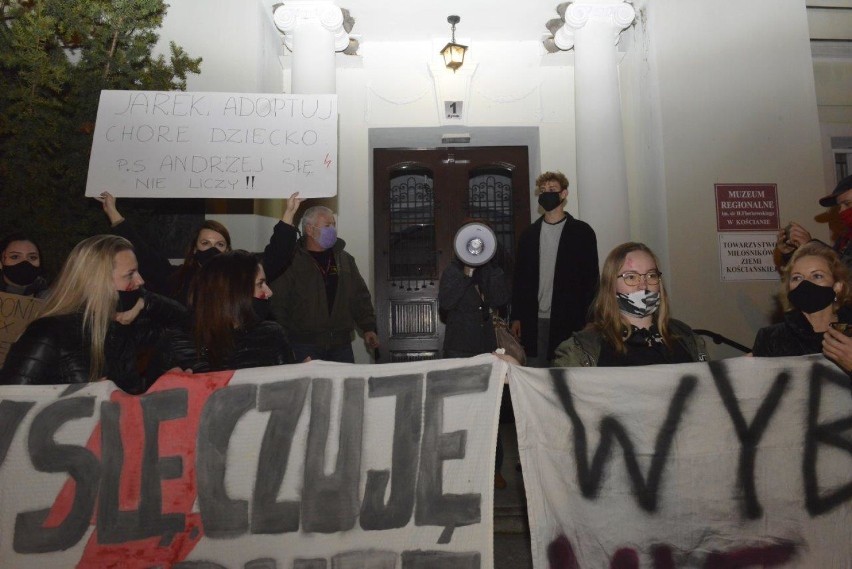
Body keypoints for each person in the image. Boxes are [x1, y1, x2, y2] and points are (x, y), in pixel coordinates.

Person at [0, 235, 187, 393]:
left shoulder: (122, 327)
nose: (140, 280)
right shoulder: (49, 332)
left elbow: (185, 322)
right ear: (99, 281)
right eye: (130, 274)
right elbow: (10, 404)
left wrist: (145, 301)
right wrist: (77, 400)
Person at [96, 191, 302, 304]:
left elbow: (277, 255)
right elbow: (144, 255)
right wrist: (113, 213)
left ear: (228, 250)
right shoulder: (176, 278)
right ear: (194, 249)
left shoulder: (242, 278)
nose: (212, 249)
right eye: (205, 243)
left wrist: (289, 213)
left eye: (219, 244)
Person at [553, 242, 707, 367]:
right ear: (611, 286)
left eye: (651, 275)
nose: (643, 285)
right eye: (631, 277)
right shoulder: (584, 348)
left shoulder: (686, 338)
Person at [147, 250, 294, 378]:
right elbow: (151, 404)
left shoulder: (271, 335)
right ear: (234, 293)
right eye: (260, 284)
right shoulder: (175, 344)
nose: (269, 292)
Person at [439, 245, 512, 489]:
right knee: (459, 412)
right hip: (459, 347)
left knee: (492, 410)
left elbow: (501, 298)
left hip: (488, 349)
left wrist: (488, 270)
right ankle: (459, 468)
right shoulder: (453, 271)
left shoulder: (493, 270)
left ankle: (495, 469)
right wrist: (467, 274)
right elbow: (446, 303)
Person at [511, 171, 599, 366]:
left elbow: (591, 278)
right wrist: (516, 316)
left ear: (564, 194)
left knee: (564, 375)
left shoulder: (582, 232)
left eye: (552, 189)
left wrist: (592, 318)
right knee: (535, 375)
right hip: (534, 320)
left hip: (570, 318)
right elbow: (520, 280)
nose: (546, 194)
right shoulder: (529, 235)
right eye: (542, 190)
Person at [270, 205, 379, 363]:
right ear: (309, 229)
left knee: (344, 387)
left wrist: (368, 327)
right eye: (327, 226)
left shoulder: (344, 259)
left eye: (334, 225)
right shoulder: (291, 260)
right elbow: (278, 302)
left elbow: (359, 296)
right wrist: (284, 340)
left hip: (341, 345)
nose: (333, 229)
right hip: (304, 345)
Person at [752, 242, 852, 371]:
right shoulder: (771, 338)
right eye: (797, 278)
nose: (805, 284)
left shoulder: (848, 332)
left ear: (838, 286)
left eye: (817, 276)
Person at [775, 174, 852, 272]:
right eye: (839, 206)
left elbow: (845, 274)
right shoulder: (845, 238)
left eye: (847, 204)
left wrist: (812, 247)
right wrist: (791, 253)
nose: (841, 211)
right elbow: (822, 276)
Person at [0, 233, 50, 298]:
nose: (25, 263)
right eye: (15, 257)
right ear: (2, 260)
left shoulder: (51, 299)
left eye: (32, 257)